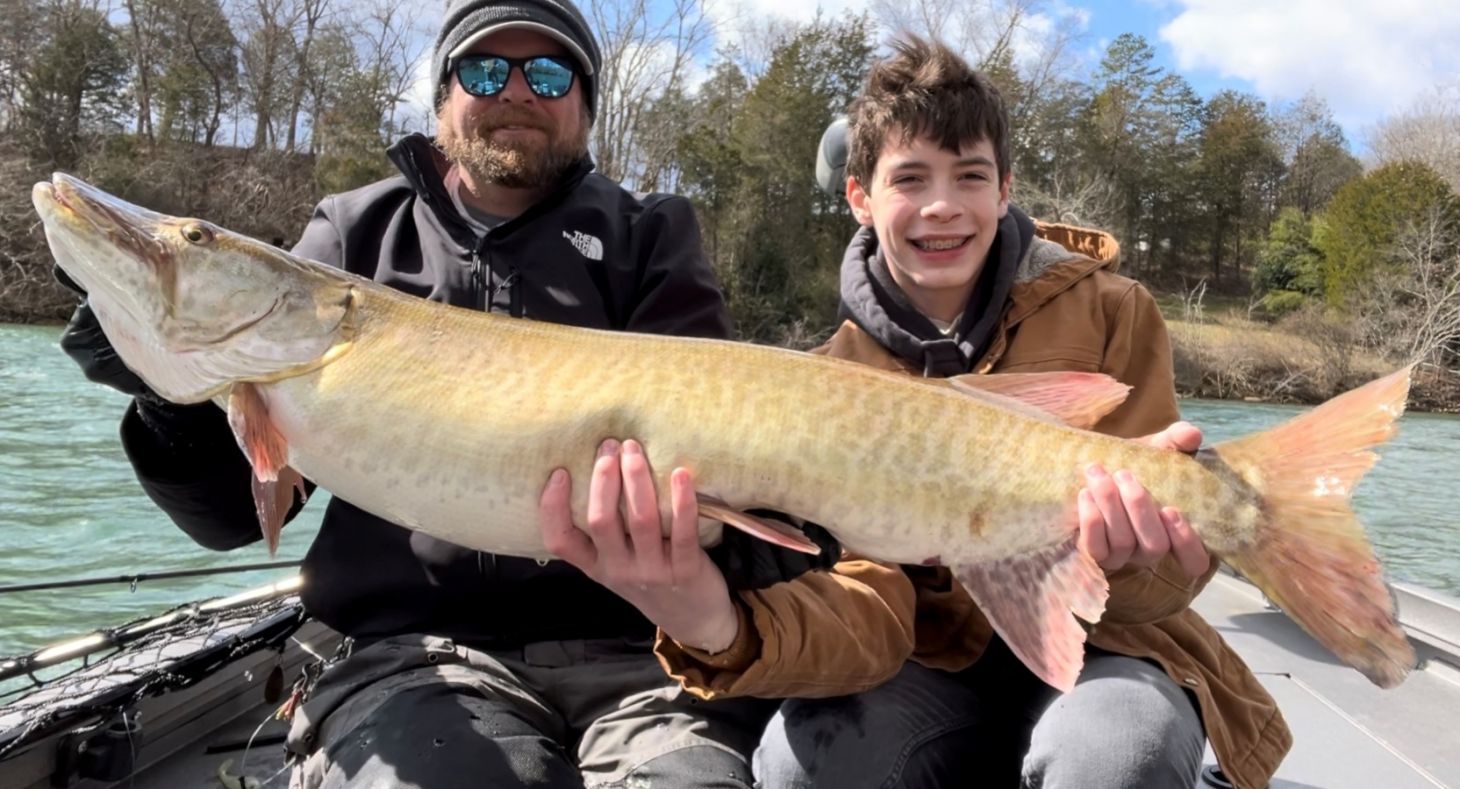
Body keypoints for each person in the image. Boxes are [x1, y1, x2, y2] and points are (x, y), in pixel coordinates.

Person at [54, 1, 835, 786]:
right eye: (485, 69)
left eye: (551, 72)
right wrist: (167, 396)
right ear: (442, 99)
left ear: (586, 108)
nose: (517, 91)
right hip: (412, 657)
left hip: (644, 662)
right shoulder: (353, 237)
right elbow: (229, 516)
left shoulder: (650, 237)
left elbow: (734, 472)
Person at [651, 36, 1292, 789]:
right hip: (925, 661)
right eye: (910, 178)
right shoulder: (826, 381)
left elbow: (1164, 591)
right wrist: (711, 621)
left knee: (1118, 755)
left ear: (1005, 188)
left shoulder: (1116, 310)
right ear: (860, 196)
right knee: (795, 765)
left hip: (1111, 646)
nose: (943, 205)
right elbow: (866, 598)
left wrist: (1130, 557)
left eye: (970, 176)